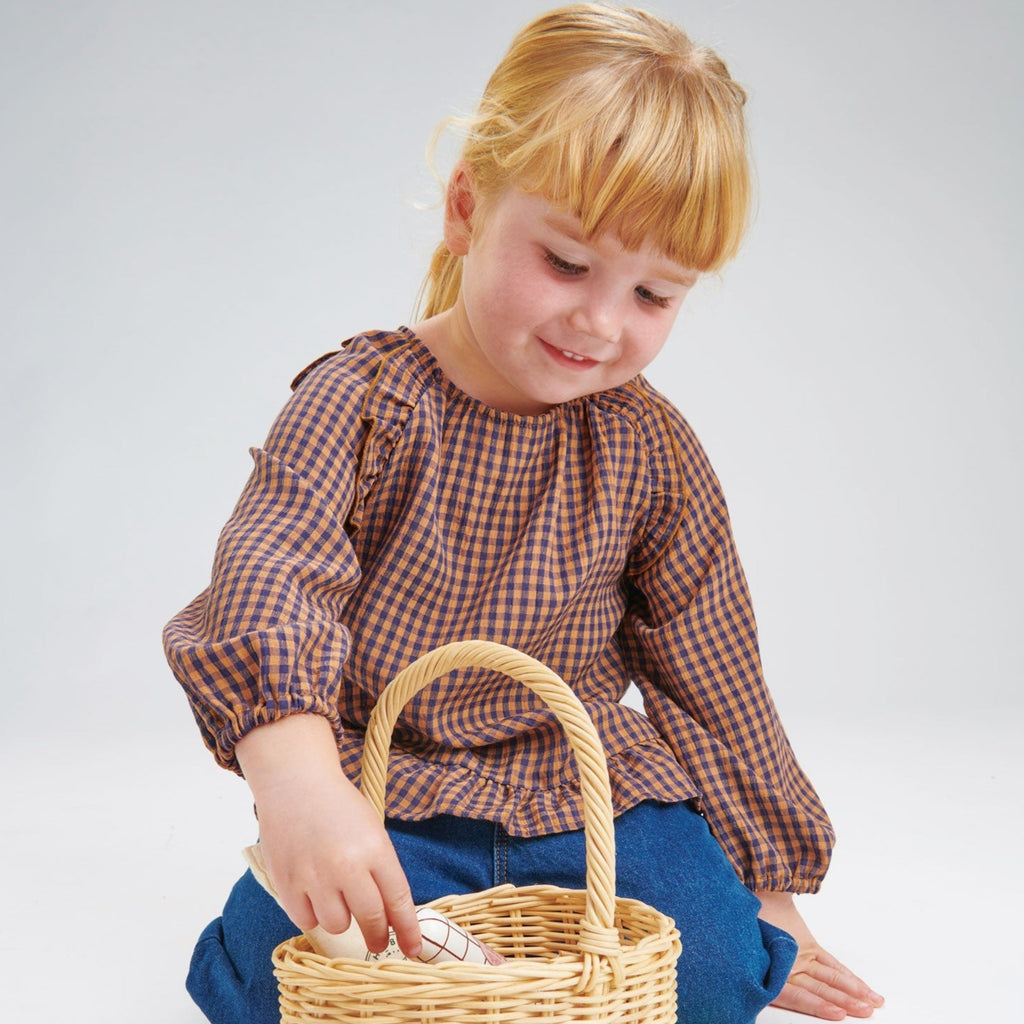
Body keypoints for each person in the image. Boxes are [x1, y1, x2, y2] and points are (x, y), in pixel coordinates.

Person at [164, 4, 884, 1022]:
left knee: (722, 965)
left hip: (587, 795)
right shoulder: (362, 403)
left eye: (653, 294)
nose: (599, 323)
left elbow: (710, 668)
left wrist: (771, 898)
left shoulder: (649, 449)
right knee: (279, 971)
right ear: (466, 210)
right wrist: (299, 786)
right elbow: (273, 577)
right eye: (566, 263)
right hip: (386, 792)